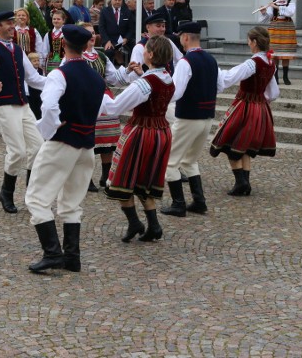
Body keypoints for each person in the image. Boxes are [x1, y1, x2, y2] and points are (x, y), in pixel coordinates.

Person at [24, 25, 106, 273]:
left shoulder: (60, 74)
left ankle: (52, 254)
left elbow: (49, 107)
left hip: (63, 142)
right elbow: (106, 108)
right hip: (86, 146)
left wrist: (50, 131)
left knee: (37, 198)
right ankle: (72, 257)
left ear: (61, 45)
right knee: (71, 202)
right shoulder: (95, 76)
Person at [102, 36, 175, 243]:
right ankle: (154, 225)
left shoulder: (144, 84)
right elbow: (155, 89)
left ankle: (135, 222)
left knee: (123, 179)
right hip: (162, 131)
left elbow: (115, 107)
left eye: (146, 50)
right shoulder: (167, 77)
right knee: (145, 180)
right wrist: (143, 74)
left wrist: (100, 93)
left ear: (151, 55)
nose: (143, 52)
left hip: (142, 132)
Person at [0, 10, 47, 214]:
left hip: (23, 105)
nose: (12, 26)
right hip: (3, 105)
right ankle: (6, 192)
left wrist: (60, 80)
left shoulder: (17, 49)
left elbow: (33, 78)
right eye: (8, 23)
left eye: (12, 22)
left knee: (38, 146)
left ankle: (32, 194)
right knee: (17, 151)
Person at [210, 26, 279, 196]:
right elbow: (274, 92)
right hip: (260, 108)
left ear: (254, 42)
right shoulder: (271, 63)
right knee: (244, 146)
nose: (248, 43)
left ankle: (241, 182)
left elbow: (230, 77)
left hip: (245, 106)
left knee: (230, 142)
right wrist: (262, 100)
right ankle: (245, 183)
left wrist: (213, 71)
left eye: (249, 40)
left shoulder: (253, 63)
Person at [161, 22, 217, 218]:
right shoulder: (211, 59)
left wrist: (159, 97)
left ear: (185, 37)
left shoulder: (186, 62)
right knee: (189, 160)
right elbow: (219, 84)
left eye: (180, 37)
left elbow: (175, 92)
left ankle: (178, 204)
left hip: (188, 117)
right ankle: (199, 201)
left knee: (169, 162)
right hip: (207, 117)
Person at [75, 22, 130, 193]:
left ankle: (106, 176)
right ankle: (86, 177)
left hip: (104, 99)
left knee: (108, 139)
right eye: (88, 33)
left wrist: (129, 70)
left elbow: (114, 78)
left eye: (93, 33)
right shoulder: (75, 56)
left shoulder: (101, 56)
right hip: (85, 100)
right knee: (88, 140)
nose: (92, 36)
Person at [257, 0, 297, 85]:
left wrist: (277, 7)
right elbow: (266, 19)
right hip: (275, 29)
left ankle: (285, 77)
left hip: (287, 28)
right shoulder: (273, 2)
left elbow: (290, 12)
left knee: (285, 53)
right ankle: (275, 76)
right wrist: (264, 12)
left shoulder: (290, 2)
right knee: (274, 54)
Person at [42, 9, 67, 74]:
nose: (56, 21)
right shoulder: (48, 34)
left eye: (58, 19)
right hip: (51, 64)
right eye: (54, 19)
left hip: (64, 62)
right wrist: (44, 64)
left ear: (63, 20)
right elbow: (45, 50)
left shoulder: (66, 33)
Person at [26, 52, 44, 121]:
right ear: (29, 62)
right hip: (31, 94)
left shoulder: (41, 70)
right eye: (34, 61)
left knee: (39, 109)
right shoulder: (28, 72)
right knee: (32, 110)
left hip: (39, 94)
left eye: (38, 60)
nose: (37, 62)